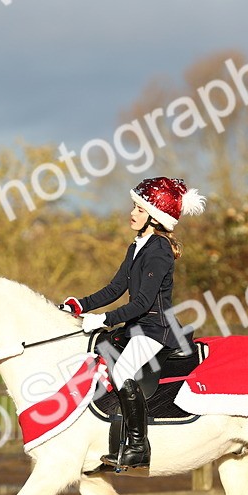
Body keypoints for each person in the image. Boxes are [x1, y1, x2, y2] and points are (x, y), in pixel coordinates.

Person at [59, 176, 205, 470]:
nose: (132, 213)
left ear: (154, 216)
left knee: (122, 369)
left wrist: (103, 318)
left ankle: (138, 446)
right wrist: (81, 304)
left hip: (156, 329)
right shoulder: (137, 246)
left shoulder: (159, 250)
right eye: (134, 207)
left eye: (139, 209)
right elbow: (115, 289)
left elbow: (142, 304)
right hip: (136, 327)